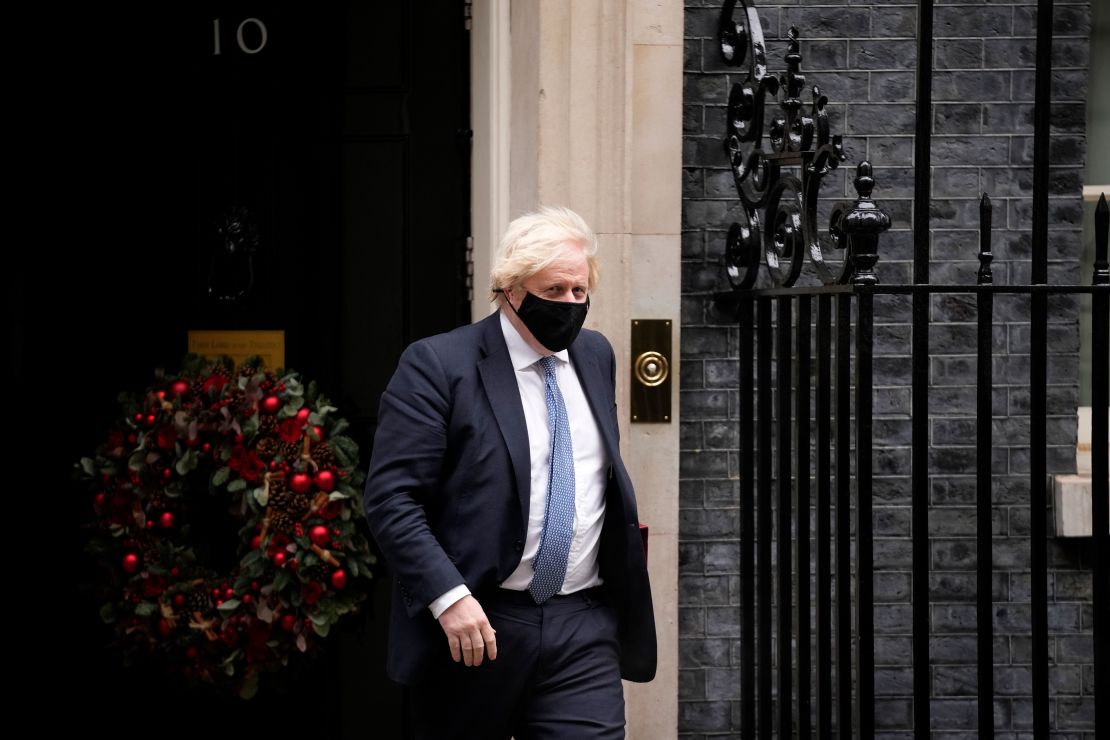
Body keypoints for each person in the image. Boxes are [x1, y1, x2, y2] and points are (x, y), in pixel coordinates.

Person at [363, 205, 656, 739]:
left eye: (579, 291)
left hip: (583, 623)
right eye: (554, 291)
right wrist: (448, 598)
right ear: (511, 290)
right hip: (479, 623)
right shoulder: (438, 365)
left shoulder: (595, 355)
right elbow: (392, 499)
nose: (570, 304)